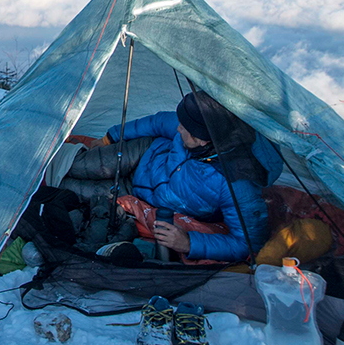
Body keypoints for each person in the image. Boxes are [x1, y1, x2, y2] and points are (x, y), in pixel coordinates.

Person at [76, 91, 282, 262]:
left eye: (183, 128)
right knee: (76, 165)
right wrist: (110, 137)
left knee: (74, 189)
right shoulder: (201, 123)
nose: (178, 127)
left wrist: (190, 243)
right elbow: (156, 122)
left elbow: (248, 243)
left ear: (202, 141)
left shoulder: (237, 183)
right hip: (145, 152)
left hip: (138, 194)